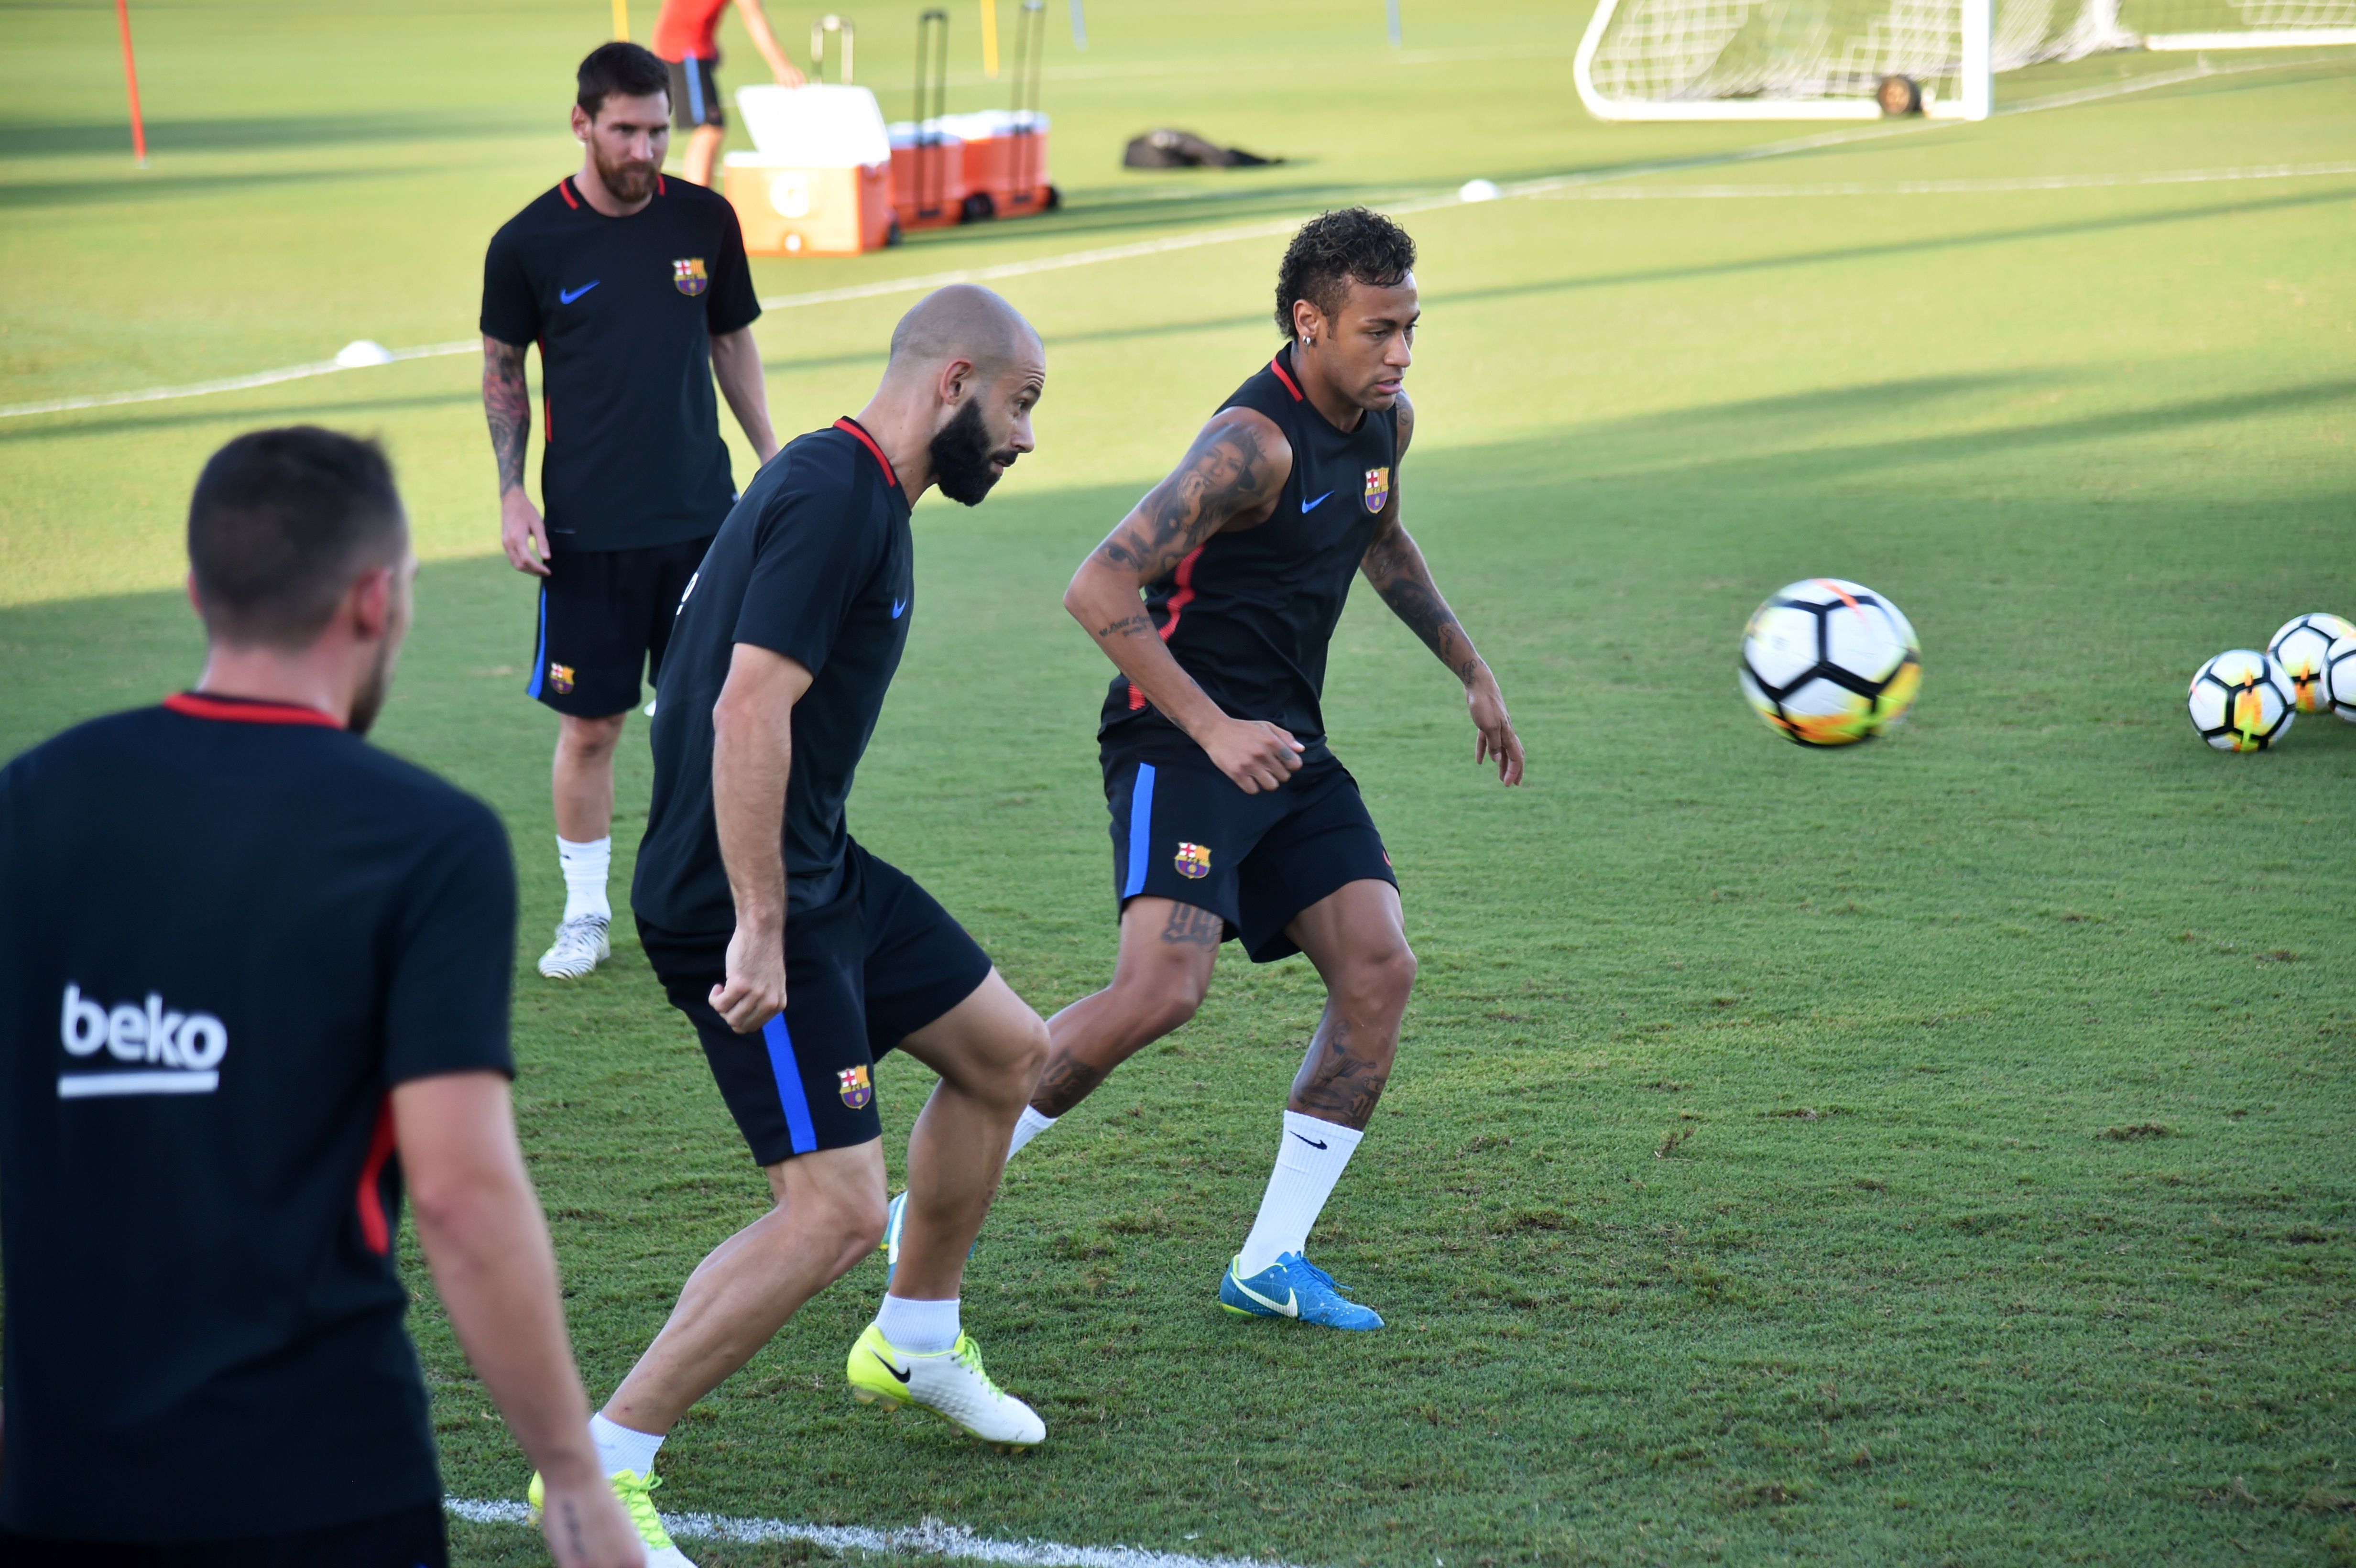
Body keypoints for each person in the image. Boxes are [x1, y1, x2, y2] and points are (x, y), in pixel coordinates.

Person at [0, 428, 642, 1568]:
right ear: (376, 599)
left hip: (60, 1482)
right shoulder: (424, 840)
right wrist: (576, 1476)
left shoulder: (31, 800)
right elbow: (459, 1194)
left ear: (199, 590)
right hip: (321, 1481)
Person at [536, 286, 1052, 1568]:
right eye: (1022, 404)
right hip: (742, 897)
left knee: (1008, 1057)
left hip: (817, 870)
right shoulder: (835, 496)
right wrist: (760, 927)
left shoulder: (850, 484)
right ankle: (604, 1471)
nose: (1029, 438)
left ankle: (916, 1341)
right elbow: (743, 713)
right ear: (954, 385)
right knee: (827, 1212)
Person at [982, 208, 1526, 1330]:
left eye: (1412, 327)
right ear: (1308, 321)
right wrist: (1216, 727)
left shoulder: (1385, 422)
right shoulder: (1251, 444)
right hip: (1178, 738)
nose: (1402, 353)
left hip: (1285, 747)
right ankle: (922, 1201)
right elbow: (1098, 587)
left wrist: (1471, 667)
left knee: (1379, 966)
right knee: (1159, 991)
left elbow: (1380, 535)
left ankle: (1272, 1255)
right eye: (1379, 330)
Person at [482, 41, 779, 983]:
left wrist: (772, 458)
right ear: (582, 124)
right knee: (593, 727)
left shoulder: (706, 219)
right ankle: (584, 912)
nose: (647, 149)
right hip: (586, 533)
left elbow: (730, 342)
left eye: (659, 130)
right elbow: (502, 374)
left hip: (704, 522)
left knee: (714, 718)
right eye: (626, 131)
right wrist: (511, 490)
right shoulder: (528, 242)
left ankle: (716, 900)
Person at [651, 0, 805, 189]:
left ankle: (698, 199)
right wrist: (782, 66)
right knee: (709, 129)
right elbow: (753, 15)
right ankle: (698, 201)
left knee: (710, 129)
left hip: (691, 46)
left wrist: (708, 44)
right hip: (685, 49)